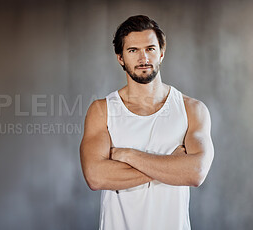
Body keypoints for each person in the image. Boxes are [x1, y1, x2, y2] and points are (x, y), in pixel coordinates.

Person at [79, 15, 214, 230]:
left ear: (161, 52)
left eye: (150, 48)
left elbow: (196, 172)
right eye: (133, 50)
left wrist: (128, 156)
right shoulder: (102, 110)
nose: (144, 58)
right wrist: (172, 165)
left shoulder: (192, 109)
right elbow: (95, 177)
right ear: (120, 58)